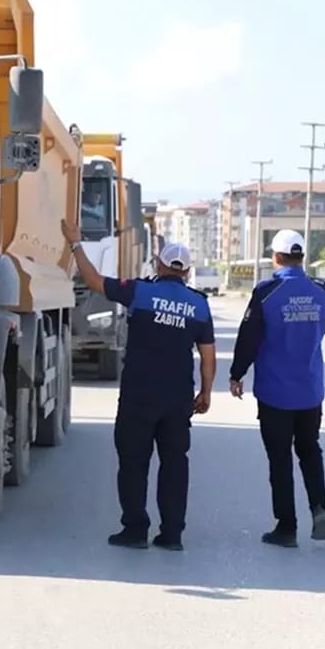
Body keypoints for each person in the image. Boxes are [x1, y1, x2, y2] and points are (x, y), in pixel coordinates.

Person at [62, 218, 217, 551]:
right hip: (177, 401)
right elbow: (207, 356)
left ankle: (135, 530)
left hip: (138, 397)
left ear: (159, 264)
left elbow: (93, 281)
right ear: (187, 272)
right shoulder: (199, 305)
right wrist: (205, 392)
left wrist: (75, 243)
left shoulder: (139, 292)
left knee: (133, 464)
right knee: (175, 465)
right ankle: (172, 534)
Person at [228, 229, 325, 548]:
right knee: (310, 450)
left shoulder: (266, 292)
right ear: (302, 258)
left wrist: (236, 374)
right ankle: (320, 507)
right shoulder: (320, 291)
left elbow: (249, 338)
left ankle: (286, 528)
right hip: (310, 391)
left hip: (275, 393)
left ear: (275, 258)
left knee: (280, 459)